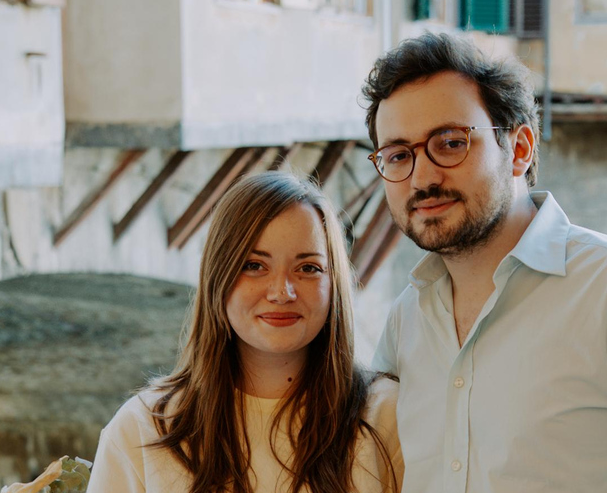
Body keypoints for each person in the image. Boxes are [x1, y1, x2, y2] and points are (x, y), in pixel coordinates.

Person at [363, 32, 607, 492]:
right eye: (398, 155)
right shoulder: (407, 319)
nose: (422, 176)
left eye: (451, 142)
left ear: (519, 149)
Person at [87, 171, 402, 493]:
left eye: (308, 268)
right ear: (217, 277)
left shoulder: (388, 416)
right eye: (254, 265)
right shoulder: (142, 429)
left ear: (333, 284)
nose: (282, 292)